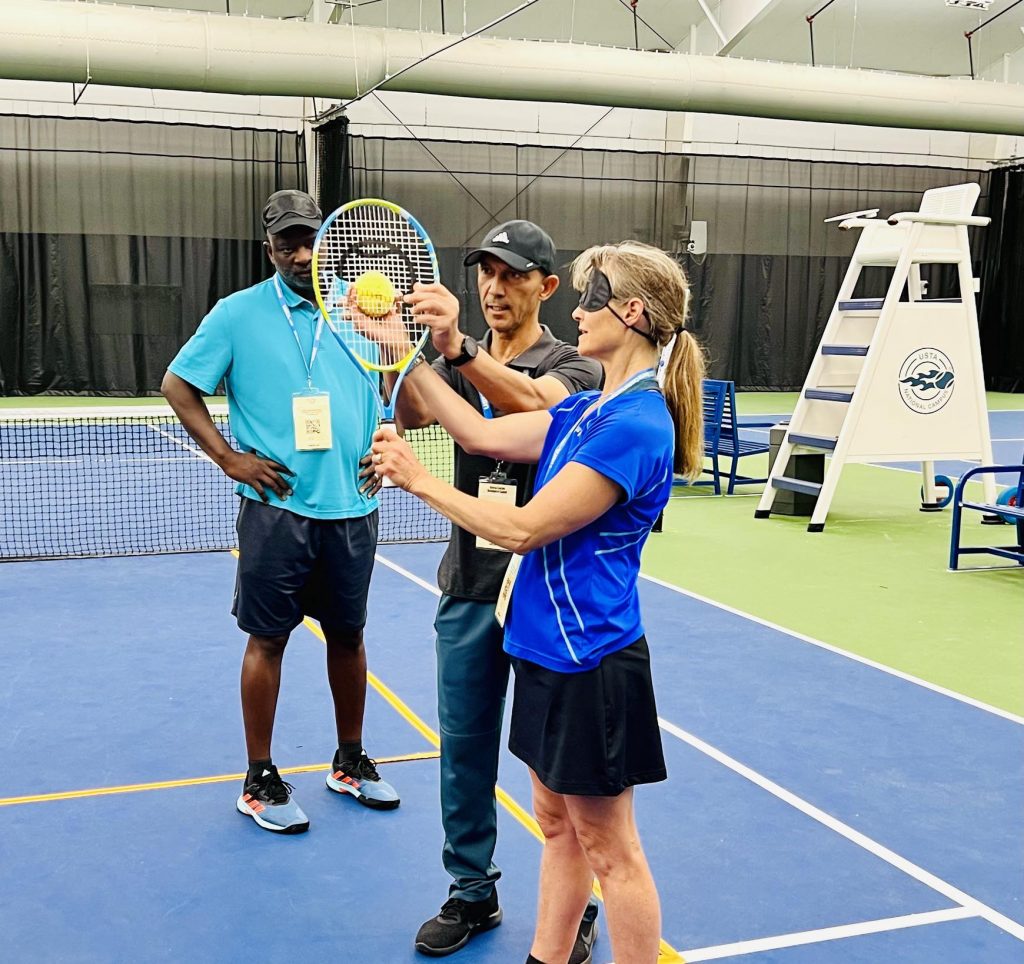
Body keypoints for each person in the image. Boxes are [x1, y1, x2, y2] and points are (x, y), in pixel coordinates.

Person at [369, 240, 706, 964]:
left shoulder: (636, 425)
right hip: (542, 650)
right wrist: (407, 350)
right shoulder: (587, 407)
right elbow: (481, 431)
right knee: (556, 825)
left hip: (592, 660)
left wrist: (418, 480)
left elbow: (524, 528)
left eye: (592, 298)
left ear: (633, 311)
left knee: (611, 851)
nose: (579, 312)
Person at [387, 221, 603, 958]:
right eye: (484, 272)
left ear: (546, 286)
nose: (494, 287)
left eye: (511, 275)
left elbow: (527, 404)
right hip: (470, 590)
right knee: (465, 752)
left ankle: (568, 907)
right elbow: (414, 413)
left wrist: (457, 348)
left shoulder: (577, 367)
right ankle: (472, 894)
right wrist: (397, 344)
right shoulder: (458, 357)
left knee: (557, 773)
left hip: (545, 599)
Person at [161, 189, 399, 835]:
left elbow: (394, 394)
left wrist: (385, 442)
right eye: (288, 243)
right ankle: (260, 777)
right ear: (268, 249)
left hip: (353, 509)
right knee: (268, 640)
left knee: (348, 637)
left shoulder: (361, 310)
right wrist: (229, 460)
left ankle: (349, 760)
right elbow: (178, 385)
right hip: (277, 513)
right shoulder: (237, 315)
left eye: (310, 242)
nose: (301, 254)